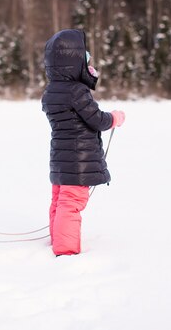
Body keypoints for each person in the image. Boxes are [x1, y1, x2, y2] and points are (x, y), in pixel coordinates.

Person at [41, 29, 125, 256]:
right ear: (72, 60)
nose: (87, 59)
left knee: (59, 201)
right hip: (77, 160)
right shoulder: (77, 91)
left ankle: (58, 239)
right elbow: (97, 120)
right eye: (84, 56)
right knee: (71, 203)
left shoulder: (51, 91)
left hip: (60, 159)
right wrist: (115, 118)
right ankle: (66, 250)